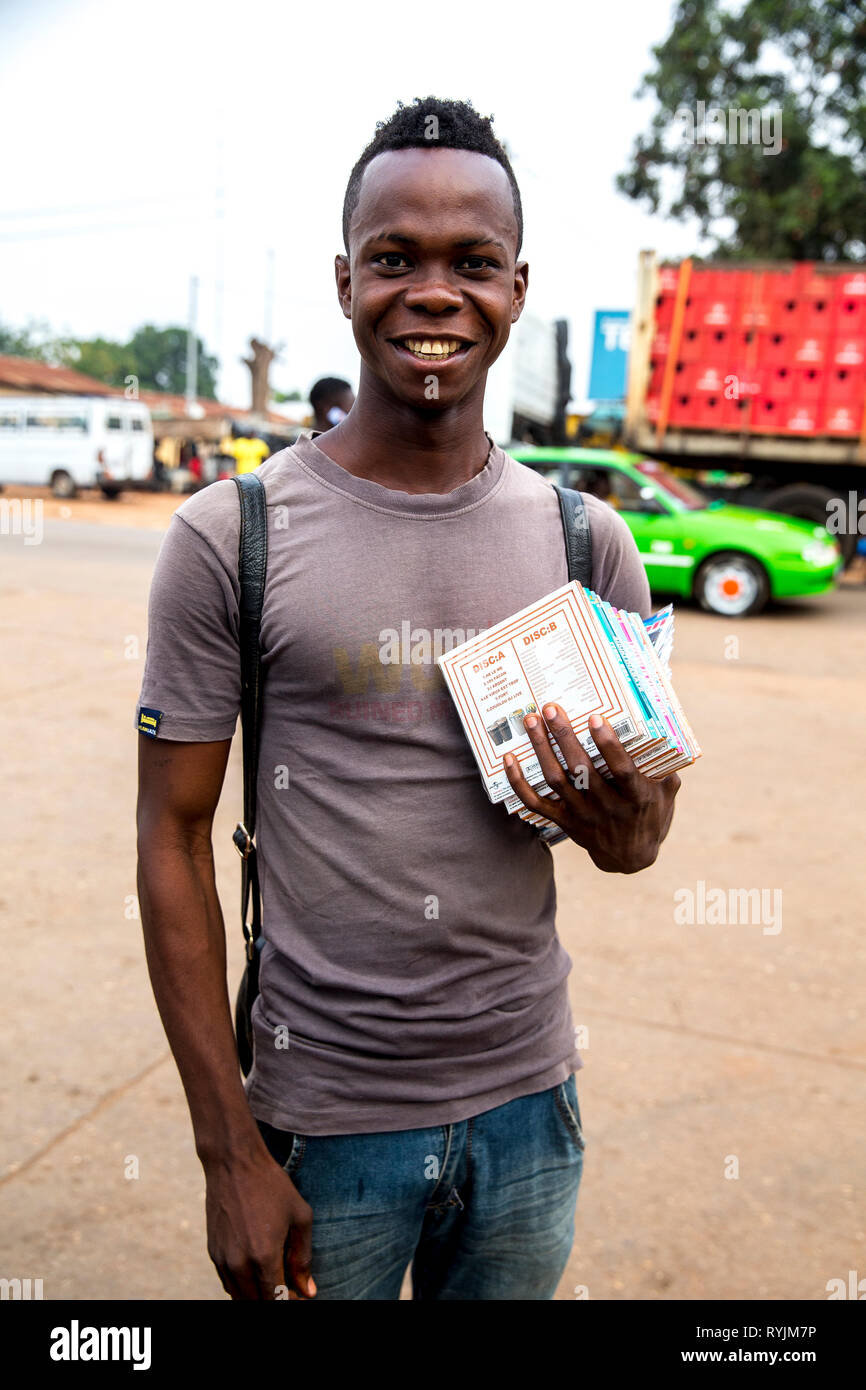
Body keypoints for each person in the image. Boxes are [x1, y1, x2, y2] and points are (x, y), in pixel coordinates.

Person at [135, 96, 680, 1303]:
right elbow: (170, 836)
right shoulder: (235, 535)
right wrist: (226, 1148)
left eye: (470, 261)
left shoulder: (584, 540)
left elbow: (638, 846)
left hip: (531, 1111)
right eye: (395, 258)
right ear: (344, 281)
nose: (433, 292)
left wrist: (633, 828)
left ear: (517, 286)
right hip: (319, 1121)